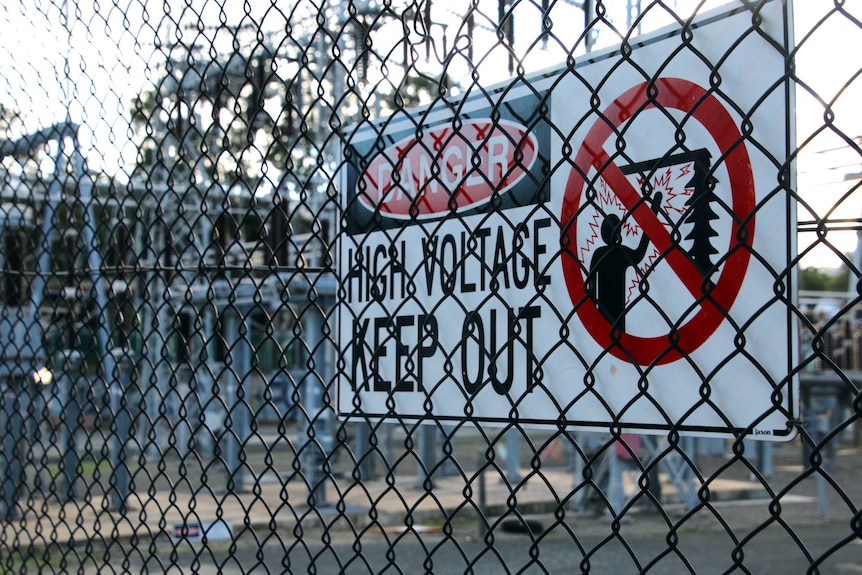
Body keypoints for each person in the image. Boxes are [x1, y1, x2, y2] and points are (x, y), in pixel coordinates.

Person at [587, 193, 662, 332]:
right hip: (616, 307)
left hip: (603, 307)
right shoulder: (619, 252)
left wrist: (592, 308)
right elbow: (639, 253)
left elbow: (590, 284)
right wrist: (653, 213)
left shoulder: (600, 254)